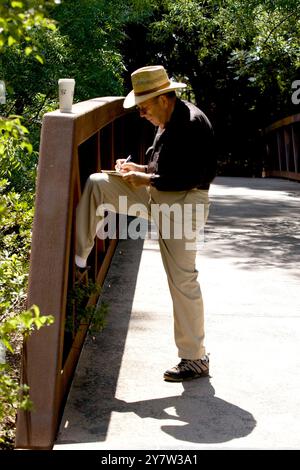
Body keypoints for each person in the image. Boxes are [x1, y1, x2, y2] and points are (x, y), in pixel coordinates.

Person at [75, 65, 217, 382]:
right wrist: (136, 168)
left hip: (184, 206)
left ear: (163, 99)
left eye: (144, 106)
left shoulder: (191, 124)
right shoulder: (166, 118)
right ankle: (79, 260)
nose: (141, 113)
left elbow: (189, 177)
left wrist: (145, 178)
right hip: (159, 194)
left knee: (183, 281)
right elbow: (161, 166)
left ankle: (195, 358)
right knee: (99, 184)